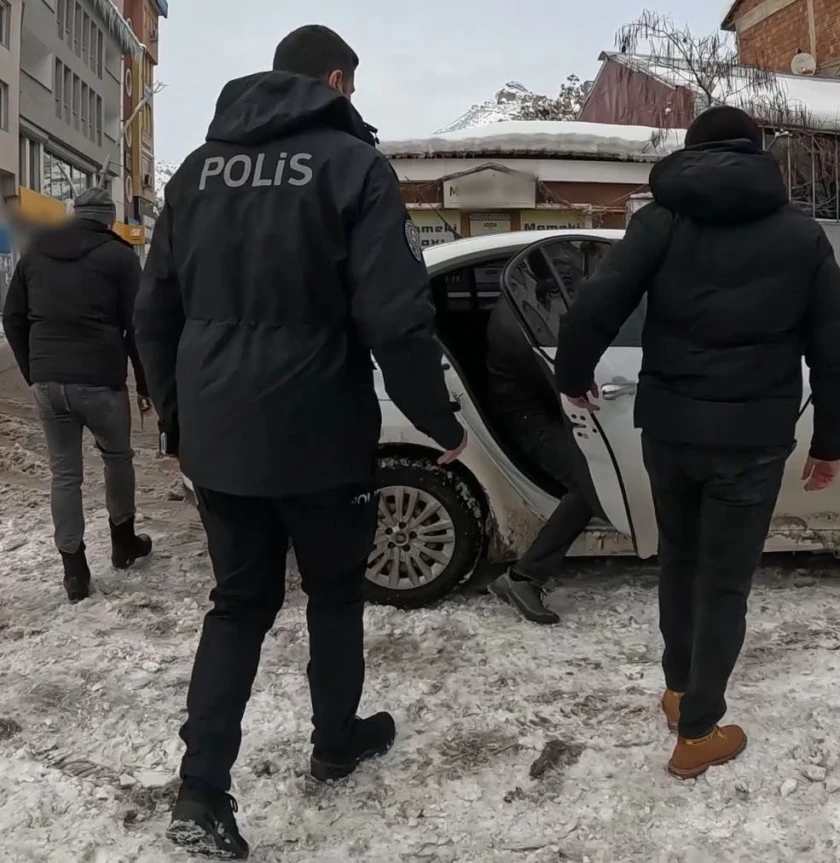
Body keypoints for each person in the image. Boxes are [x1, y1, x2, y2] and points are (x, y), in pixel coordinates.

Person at [134, 25, 466, 859]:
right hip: (322, 435)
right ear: (336, 80)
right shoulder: (355, 166)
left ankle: (201, 792)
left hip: (219, 440)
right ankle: (335, 740)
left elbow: (154, 312)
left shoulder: (197, 172)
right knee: (335, 595)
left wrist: (177, 421)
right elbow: (396, 316)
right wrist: (440, 422)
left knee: (239, 604)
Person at [553, 106, 840, 779]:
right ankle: (698, 730)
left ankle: (678, 690)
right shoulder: (800, 235)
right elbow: (837, 349)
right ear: (757, 153)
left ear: (692, 154)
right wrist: (831, 441)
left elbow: (595, 304)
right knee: (724, 585)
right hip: (752, 441)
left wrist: (572, 376)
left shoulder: (660, 222)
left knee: (680, 562)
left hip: (671, 430)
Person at [1, 188, 154, 602]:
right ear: (107, 219)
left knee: (65, 475)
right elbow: (138, 326)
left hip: (49, 383)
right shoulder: (120, 257)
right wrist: (145, 384)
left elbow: (12, 318)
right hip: (101, 380)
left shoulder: (35, 252)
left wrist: (34, 372)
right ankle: (123, 542)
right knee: (117, 458)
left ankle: (73, 570)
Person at [485, 263, 603, 625]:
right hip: (528, 421)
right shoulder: (520, 320)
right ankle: (523, 577)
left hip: (538, 411)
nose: (573, 284)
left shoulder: (526, 303)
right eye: (565, 278)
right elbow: (565, 383)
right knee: (590, 487)